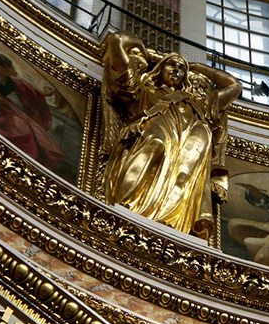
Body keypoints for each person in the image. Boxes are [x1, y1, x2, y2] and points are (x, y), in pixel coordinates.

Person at [102, 32, 241, 240]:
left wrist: (197, 67)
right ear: (160, 69)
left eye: (181, 68)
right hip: (156, 129)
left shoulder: (199, 102)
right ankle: (126, 204)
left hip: (192, 138)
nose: (177, 70)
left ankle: (173, 219)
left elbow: (234, 87)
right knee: (156, 144)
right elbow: (116, 42)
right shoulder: (145, 92)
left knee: (184, 175)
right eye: (171, 65)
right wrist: (142, 49)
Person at [0, 51, 63, 169]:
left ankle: (29, 159)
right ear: (0, 68)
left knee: (28, 126)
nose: (14, 69)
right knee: (21, 125)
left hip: (8, 111)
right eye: (10, 67)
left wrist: (44, 93)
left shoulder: (13, 82)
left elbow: (29, 91)